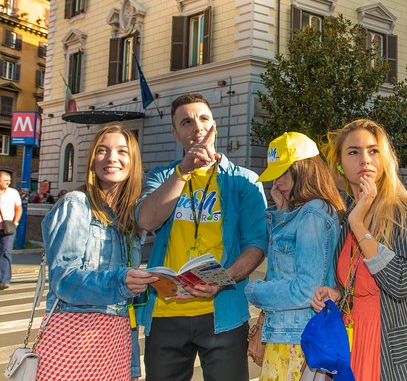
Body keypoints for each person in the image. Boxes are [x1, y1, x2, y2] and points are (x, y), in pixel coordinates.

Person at [135, 93, 268, 381]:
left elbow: (256, 243)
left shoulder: (244, 180)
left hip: (224, 314)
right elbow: (146, 220)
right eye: (186, 122)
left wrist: (222, 280)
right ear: (175, 133)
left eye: (203, 118)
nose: (197, 127)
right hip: (165, 313)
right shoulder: (162, 176)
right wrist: (183, 171)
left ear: (214, 126)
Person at [311, 119, 407, 381]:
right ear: (340, 165)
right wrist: (336, 293)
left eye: (373, 150)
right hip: (354, 343)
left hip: (392, 351)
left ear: (384, 160)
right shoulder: (348, 214)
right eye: (353, 152)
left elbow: (402, 283)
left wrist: (359, 225)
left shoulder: (401, 211)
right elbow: (355, 280)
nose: (364, 159)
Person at [36, 124, 156, 380]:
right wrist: (121, 280)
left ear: (133, 161)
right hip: (73, 335)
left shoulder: (130, 218)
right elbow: (64, 281)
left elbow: (127, 305)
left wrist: (133, 365)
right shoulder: (75, 205)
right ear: (92, 161)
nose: (111, 158)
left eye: (122, 151)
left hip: (116, 338)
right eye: (102, 150)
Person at [245, 132, 346, 380]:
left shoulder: (313, 212)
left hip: (298, 339)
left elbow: (306, 289)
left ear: (304, 170)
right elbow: (282, 269)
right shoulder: (301, 212)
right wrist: (280, 212)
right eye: (273, 177)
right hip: (290, 334)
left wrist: (253, 291)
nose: (275, 184)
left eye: (282, 175)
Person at [0, 170, 21, 290]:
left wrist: (15, 223)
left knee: (6, 252)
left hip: (8, 228)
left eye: (9, 180)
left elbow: (18, 208)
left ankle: (5, 279)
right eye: (5, 180)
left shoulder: (13, 193)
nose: (8, 182)